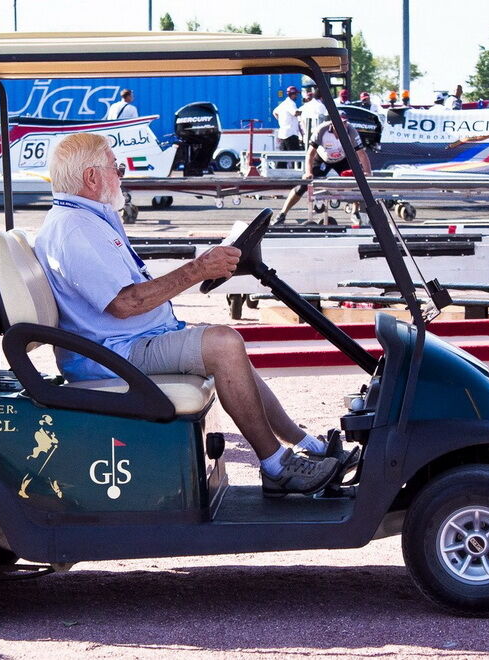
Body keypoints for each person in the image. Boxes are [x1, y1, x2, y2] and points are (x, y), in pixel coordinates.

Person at [34, 133, 351, 496]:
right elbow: (125, 304)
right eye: (116, 168)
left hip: (126, 343)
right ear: (92, 178)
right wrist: (196, 270)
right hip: (113, 354)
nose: (121, 175)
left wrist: (201, 270)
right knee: (223, 344)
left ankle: (307, 444)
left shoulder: (88, 220)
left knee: (222, 344)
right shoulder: (75, 228)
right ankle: (276, 466)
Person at [273, 111, 373, 226]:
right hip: (323, 158)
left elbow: (361, 153)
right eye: (339, 123)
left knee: (357, 181)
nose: (343, 126)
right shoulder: (321, 130)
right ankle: (282, 213)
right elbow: (310, 153)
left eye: (344, 123)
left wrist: (367, 173)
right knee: (302, 185)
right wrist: (308, 172)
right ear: (332, 123)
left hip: (342, 159)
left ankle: (355, 211)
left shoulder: (351, 131)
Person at [273, 85, 303, 152]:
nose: (297, 96)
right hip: (291, 134)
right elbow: (295, 113)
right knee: (296, 158)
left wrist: (282, 120)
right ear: (293, 94)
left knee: (283, 158)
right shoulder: (291, 103)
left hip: (283, 134)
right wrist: (305, 112)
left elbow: (274, 112)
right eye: (296, 94)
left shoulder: (283, 104)